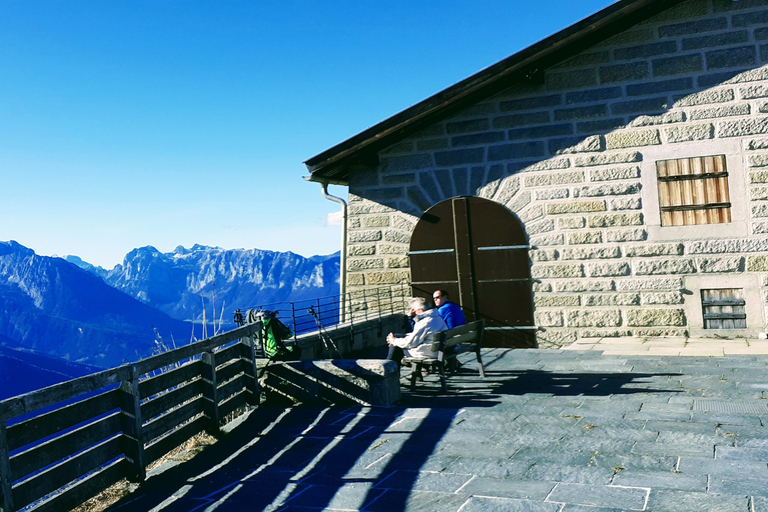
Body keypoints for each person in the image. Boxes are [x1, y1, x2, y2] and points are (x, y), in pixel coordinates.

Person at [386, 297, 447, 368]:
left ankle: (389, 368)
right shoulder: (436, 317)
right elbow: (418, 336)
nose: (413, 312)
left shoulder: (425, 322)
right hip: (437, 350)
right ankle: (414, 372)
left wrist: (393, 340)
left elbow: (411, 343)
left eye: (414, 310)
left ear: (420, 310)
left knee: (396, 346)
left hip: (427, 353)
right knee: (397, 336)